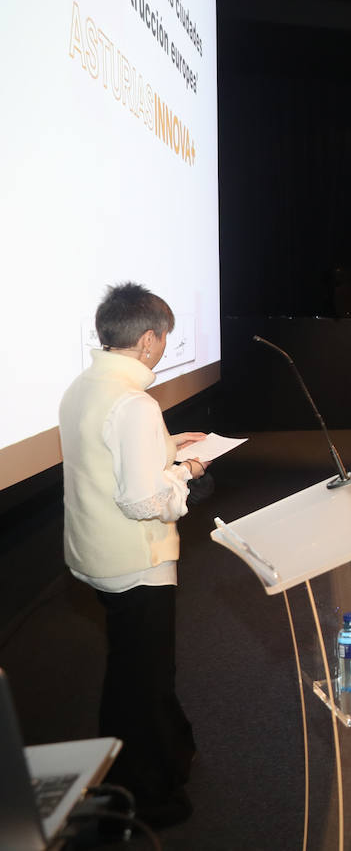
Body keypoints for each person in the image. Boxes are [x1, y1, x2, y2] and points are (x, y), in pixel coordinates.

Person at [58, 283, 206, 826]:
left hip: (96, 553)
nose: (165, 347)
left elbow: (107, 456)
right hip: (136, 563)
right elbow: (145, 500)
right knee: (143, 682)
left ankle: (152, 760)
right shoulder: (135, 403)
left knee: (130, 673)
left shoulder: (83, 386)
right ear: (148, 340)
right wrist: (185, 472)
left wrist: (168, 446)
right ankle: (145, 796)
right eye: (164, 338)